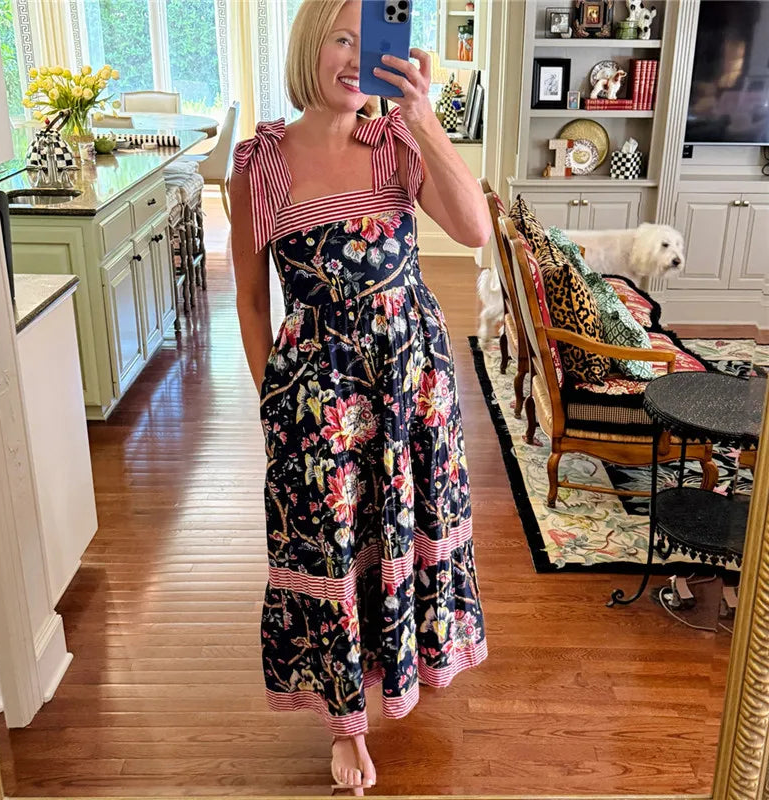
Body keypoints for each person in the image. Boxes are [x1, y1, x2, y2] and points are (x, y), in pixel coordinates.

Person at [230, 0, 490, 792]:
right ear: (312, 43)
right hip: (318, 402)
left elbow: (475, 230)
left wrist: (422, 116)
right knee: (329, 547)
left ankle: (403, 675)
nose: (355, 57)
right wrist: (274, 404)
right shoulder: (259, 163)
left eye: (369, 39)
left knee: (401, 532)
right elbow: (248, 299)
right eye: (340, 38)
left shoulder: (397, 145)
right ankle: (347, 726)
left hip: (414, 389)